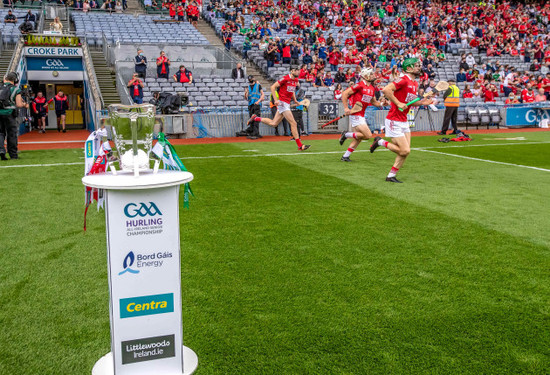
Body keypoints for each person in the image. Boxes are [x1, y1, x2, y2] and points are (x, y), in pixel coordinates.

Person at [369, 58, 434, 183]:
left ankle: (391, 176)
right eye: (416, 65)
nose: (419, 67)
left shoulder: (414, 83)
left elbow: (411, 101)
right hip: (394, 120)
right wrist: (398, 103)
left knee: (405, 153)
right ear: (408, 68)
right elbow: (386, 90)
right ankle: (380, 142)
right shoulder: (403, 79)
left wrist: (423, 102)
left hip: (403, 120)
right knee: (405, 150)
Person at [247, 66, 310, 151]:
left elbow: (292, 91)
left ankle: (255, 118)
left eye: (299, 70)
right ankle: (300, 145)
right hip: (282, 103)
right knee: (293, 123)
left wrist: (295, 100)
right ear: (291, 71)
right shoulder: (285, 78)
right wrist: (276, 100)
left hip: (286, 104)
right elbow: (273, 87)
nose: (298, 72)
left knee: (274, 123)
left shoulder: (295, 80)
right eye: (296, 70)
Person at [338, 68, 382, 162]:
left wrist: (383, 103)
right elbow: (345, 93)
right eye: (371, 74)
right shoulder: (360, 85)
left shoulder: (371, 88)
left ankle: (345, 156)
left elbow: (374, 102)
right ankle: (346, 134)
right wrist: (346, 108)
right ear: (365, 76)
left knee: (359, 138)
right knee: (368, 135)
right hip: (356, 114)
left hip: (361, 114)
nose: (373, 75)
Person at [0, 72, 28, 160]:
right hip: (10, 114)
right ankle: (13, 155)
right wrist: (25, 105)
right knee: (11, 134)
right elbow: (19, 104)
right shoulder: (16, 89)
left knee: (0, 133)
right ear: (14, 80)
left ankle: (1, 150)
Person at [244, 75, 264, 139]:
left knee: (256, 119)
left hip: (256, 104)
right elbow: (246, 98)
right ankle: (253, 132)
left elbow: (262, 94)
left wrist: (259, 101)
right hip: (250, 105)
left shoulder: (258, 85)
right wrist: (246, 93)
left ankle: (256, 133)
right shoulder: (248, 87)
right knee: (251, 119)